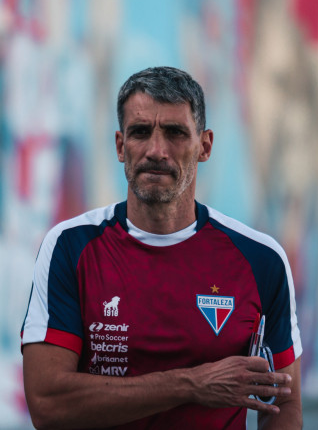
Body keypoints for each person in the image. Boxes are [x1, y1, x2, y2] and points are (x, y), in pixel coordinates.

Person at [21, 67, 303, 429]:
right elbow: (48, 404)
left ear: (205, 146)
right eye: (140, 132)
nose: (156, 151)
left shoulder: (261, 260)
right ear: (121, 146)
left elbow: (284, 405)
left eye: (175, 133)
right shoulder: (70, 247)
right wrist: (192, 384)